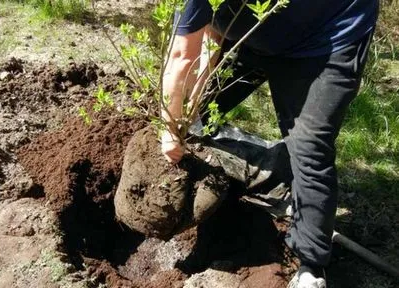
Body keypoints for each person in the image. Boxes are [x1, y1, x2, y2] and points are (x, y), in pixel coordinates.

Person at [160, 0, 379, 287]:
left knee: (310, 147)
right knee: (194, 114)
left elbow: (180, 56)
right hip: (255, 30)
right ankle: (266, 175)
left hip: (326, 37)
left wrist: (167, 132)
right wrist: (179, 120)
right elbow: (205, 41)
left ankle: (311, 267)